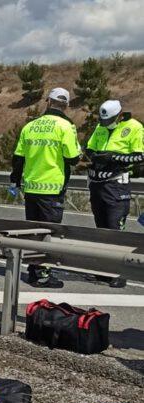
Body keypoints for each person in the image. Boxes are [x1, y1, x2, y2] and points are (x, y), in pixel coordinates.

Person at [10, 87, 82, 288]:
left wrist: (15, 181)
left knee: (34, 232)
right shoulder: (66, 126)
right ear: (66, 105)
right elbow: (73, 158)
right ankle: (43, 274)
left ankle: (33, 270)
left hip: (31, 188)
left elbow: (18, 158)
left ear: (48, 102)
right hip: (52, 189)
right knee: (48, 233)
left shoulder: (31, 126)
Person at [85, 100, 144, 288]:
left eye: (109, 120)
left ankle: (120, 272)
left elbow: (140, 155)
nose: (105, 124)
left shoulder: (134, 127)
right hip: (97, 184)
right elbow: (90, 147)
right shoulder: (100, 127)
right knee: (101, 230)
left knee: (115, 229)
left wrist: (113, 157)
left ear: (119, 115)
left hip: (117, 185)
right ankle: (104, 271)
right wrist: (94, 157)